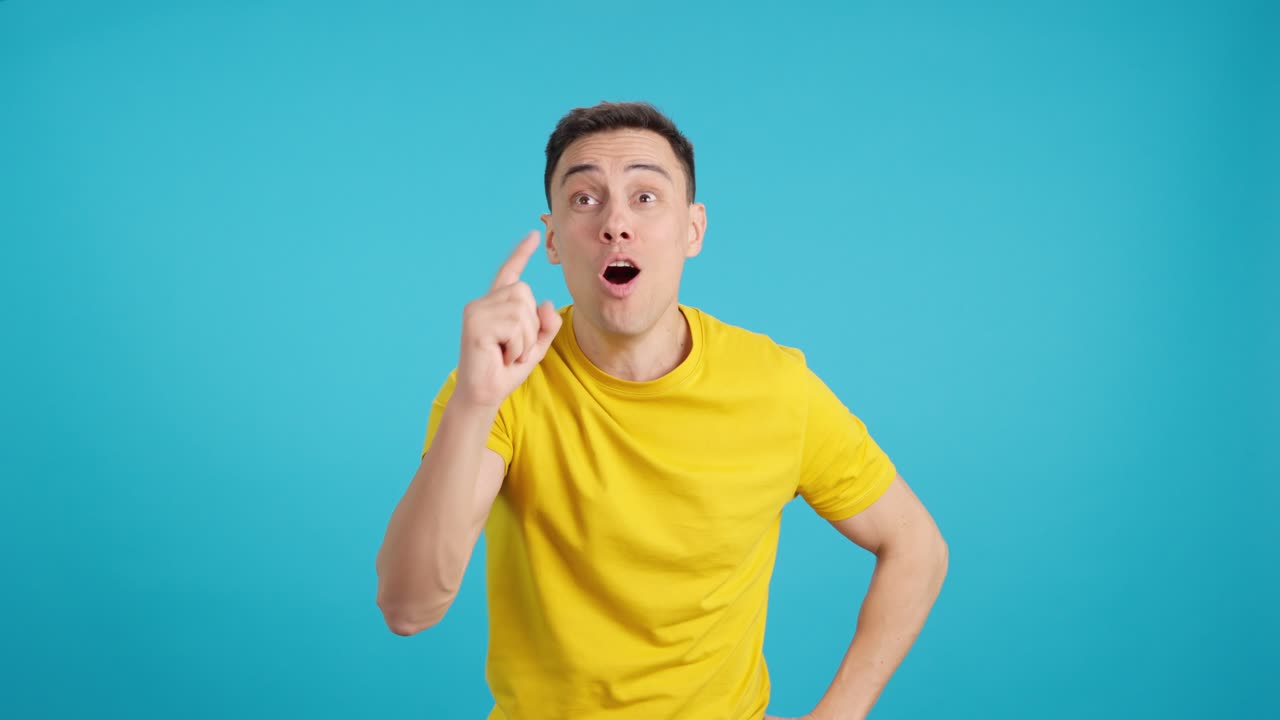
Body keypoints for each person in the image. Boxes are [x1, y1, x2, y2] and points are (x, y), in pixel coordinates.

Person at [375, 101, 949, 720]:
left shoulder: (776, 385)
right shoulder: (500, 383)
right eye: (584, 199)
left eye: (646, 197)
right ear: (552, 241)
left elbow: (915, 545)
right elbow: (409, 608)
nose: (616, 222)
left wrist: (839, 713)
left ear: (693, 230)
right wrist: (475, 402)